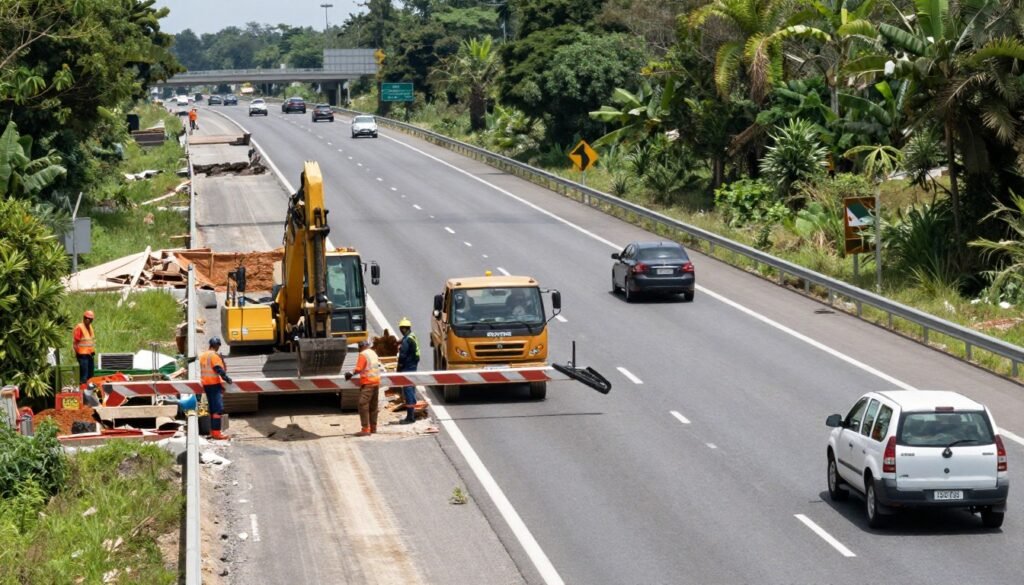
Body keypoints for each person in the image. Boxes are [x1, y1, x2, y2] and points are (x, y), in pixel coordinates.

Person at [199, 337, 233, 440]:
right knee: (218, 410)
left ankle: (213, 432)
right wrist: (226, 378)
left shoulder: (203, 355)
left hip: (206, 385)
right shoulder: (213, 356)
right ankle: (217, 434)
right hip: (214, 385)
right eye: (218, 345)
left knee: (213, 410)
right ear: (216, 345)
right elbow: (218, 369)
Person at [346, 339, 381, 436]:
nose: (358, 349)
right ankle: (373, 428)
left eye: (359, 347)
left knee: (362, 404)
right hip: (376, 382)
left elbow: (359, 368)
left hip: (368, 383)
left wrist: (350, 373)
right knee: (373, 406)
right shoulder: (373, 353)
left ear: (361, 346)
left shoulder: (363, 355)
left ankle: (365, 429)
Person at [396, 317, 420, 425]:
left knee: (408, 390)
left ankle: (410, 417)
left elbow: (402, 356)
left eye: (401, 329)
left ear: (404, 329)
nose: (401, 330)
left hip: (407, 367)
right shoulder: (412, 336)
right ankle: (412, 414)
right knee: (412, 388)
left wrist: (399, 368)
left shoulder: (406, 340)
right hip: (413, 366)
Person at [73, 310, 96, 387]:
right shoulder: (79, 327)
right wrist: (77, 354)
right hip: (83, 356)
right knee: (84, 376)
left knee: (90, 375)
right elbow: (76, 342)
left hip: (90, 354)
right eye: (87, 318)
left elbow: (90, 340)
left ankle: (90, 390)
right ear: (84, 318)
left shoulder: (90, 327)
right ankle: (83, 391)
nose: (88, 320)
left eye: (90, 319)